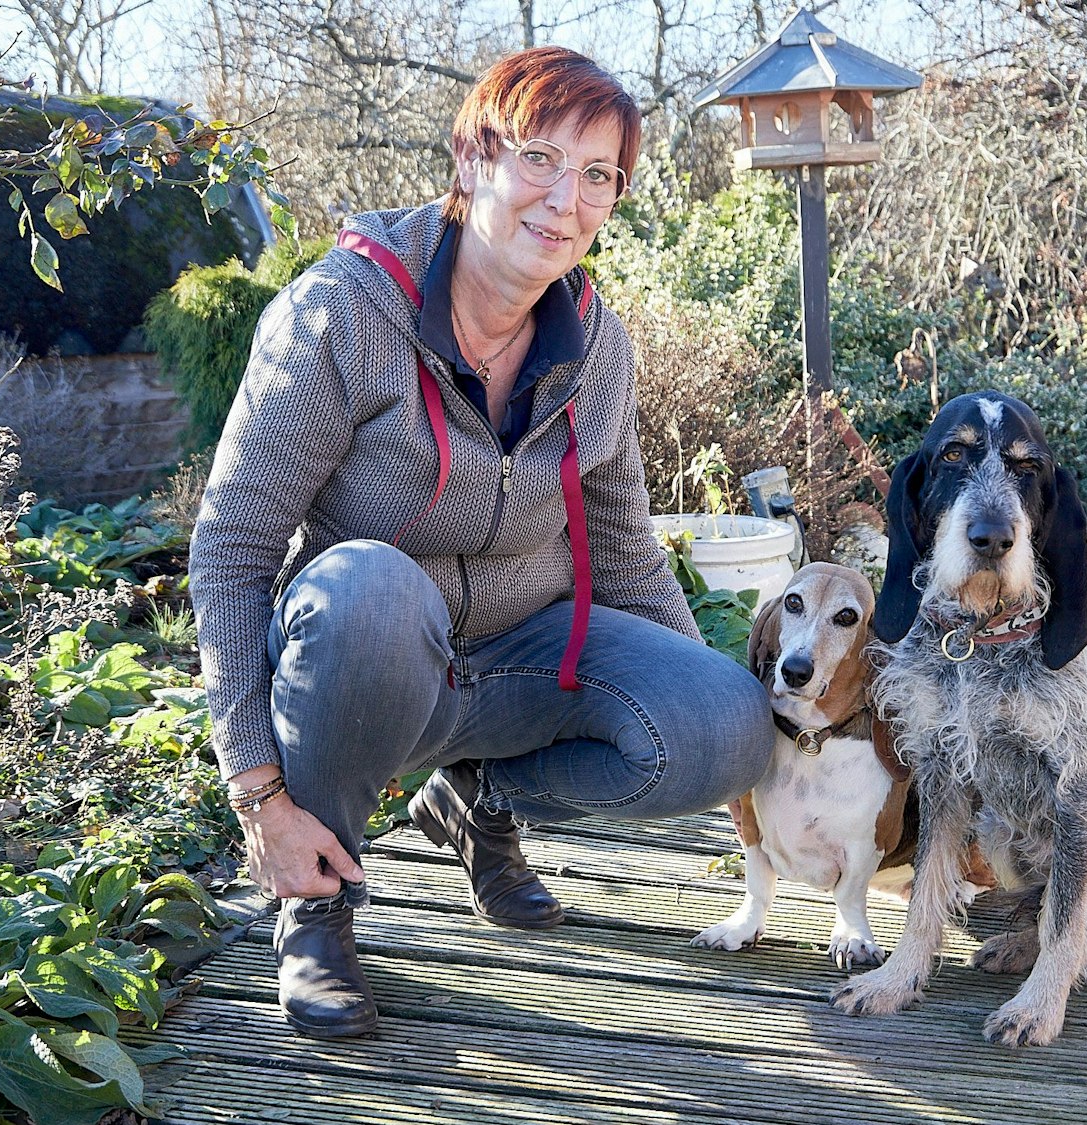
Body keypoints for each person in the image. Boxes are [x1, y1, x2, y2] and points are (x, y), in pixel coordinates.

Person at [189, 45, 776, 1039]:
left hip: (516, 665)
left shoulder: (597, 348)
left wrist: (714, 728)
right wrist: (258, 797)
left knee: (728, 724)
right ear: (472, 159)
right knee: (370, 589)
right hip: (364, 661)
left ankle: (476, 801)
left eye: (599, 175)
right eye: (540, 157)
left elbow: (625, 553)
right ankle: (315, 909)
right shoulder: (340, 313)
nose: (566, 199)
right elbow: (230, 551)